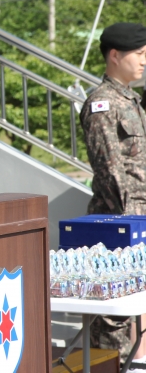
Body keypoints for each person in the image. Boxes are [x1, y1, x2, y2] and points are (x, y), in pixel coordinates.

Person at [80, 22, 146, 363]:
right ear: (115, 55)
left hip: (138, 220)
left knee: (135, 304)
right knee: (112, 316)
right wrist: (130, 222)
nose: (144, 61)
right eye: (139, 53)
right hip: (119, 223)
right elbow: (109, 169)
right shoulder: (102, 103)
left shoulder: (132, 101)